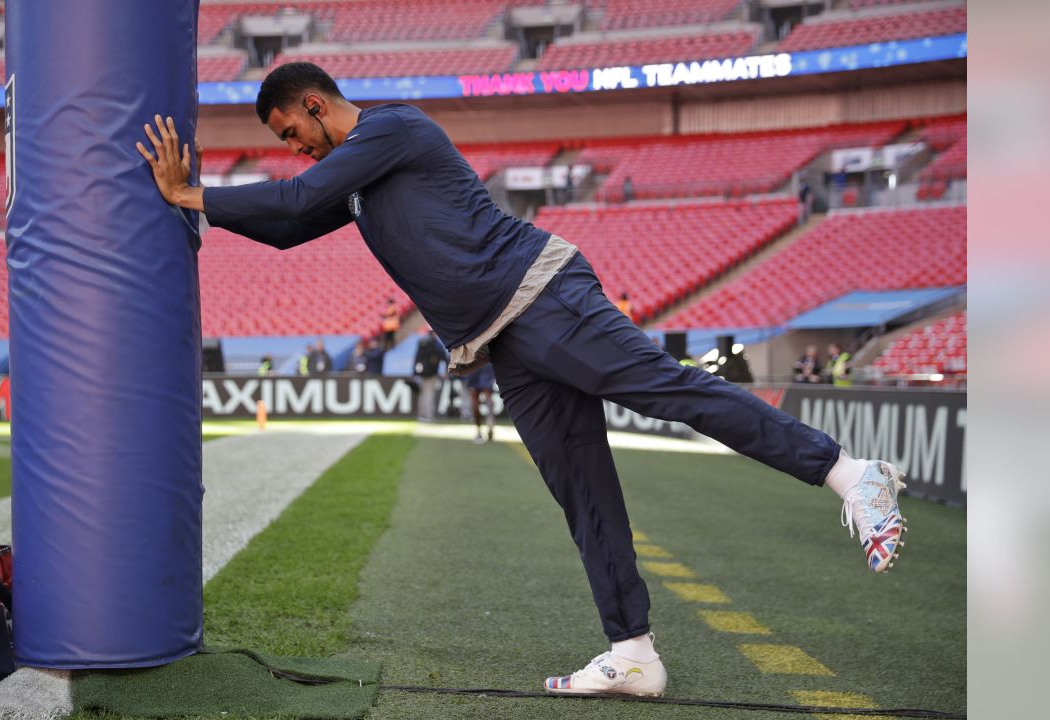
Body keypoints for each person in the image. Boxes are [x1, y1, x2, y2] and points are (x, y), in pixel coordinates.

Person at [136, 62, 908, 698]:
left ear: (312, 104)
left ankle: (849, 472)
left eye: (290, 132)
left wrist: (190, 192)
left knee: (672, 392)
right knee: (580, 487)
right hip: (504, 339)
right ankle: (633, 651)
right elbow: (289, 226)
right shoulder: (355, 180)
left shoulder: (390, 129)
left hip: (545, 297)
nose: (293, 148)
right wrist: (190, 210)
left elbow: (298, 197)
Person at [413, 329, 445, 422]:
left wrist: (415, 372)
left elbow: (417, 358)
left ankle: (421, 415)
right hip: (432, 372)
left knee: (422, 394)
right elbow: (443, 357)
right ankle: (428, 415)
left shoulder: (422, 342)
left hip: (422, 372)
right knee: (429, 394)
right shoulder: (436, 344)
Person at [465, 362, 496, 444]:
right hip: (487, 362)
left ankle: (479, 432)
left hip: (472, 362)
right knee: (488, 394)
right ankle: (490, 418)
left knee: (474, 396)